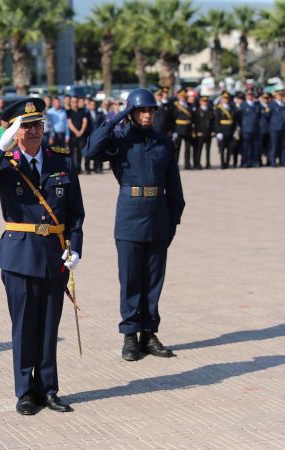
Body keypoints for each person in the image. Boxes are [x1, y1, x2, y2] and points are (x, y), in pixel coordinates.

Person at [0, 98, 85, 416]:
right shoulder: (6, 163)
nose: (34, 131)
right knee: (24, 327)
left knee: (49, 327)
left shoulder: (61, 161)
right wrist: (0, 145)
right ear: (16, 131)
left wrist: (75, 247)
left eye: (38, 124)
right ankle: (24, 392)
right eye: (26, 126)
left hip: (54, 255)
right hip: (19, 255)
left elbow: (76, 214)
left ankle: (47, 388)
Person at [83, 88, 185, 362]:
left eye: (151, 110)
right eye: (141, 110)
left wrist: (173, 221)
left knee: (154, 280)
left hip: (158, 215)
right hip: (129, 214)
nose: (148, 114)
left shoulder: (164, 142)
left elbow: (175, 187)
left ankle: (148, 334)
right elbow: (90, 150)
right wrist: (116, 119)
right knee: (130, 279)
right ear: (131, 113)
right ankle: (129, 335)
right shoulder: (119, 140)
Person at [67, 96, 90, 173]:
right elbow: (69, 123)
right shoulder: (68, 112)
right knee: (72, 153)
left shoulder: (83, 111)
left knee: (80, 153)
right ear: (70, 103)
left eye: (76, 101)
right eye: (73, 102)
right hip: (72, 136)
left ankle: (79, 168)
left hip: (81, 136)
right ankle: (73, 169)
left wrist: (81, 131)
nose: (75, 103)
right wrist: (76, 132)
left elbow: (85, 121)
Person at [172, 89, 194, 169]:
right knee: (177, 148)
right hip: (179, 129)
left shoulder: (189, 105)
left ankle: (187, 164)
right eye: (181, 96)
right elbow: (173, 119)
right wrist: (174, 131)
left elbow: (192, 118)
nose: (183, 97)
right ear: (178, 96)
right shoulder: (175, 106)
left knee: (188, 148)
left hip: (188, 129)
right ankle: (176, 164)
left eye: (184, 96)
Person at [214, 91, 236, 169]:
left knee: (230, 149)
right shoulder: (219, 108)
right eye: (224, 98)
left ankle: (227, 163)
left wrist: (234, 131)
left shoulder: (232, 107)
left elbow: (234, 120)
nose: (226, 99)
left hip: (230, 130)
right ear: (221, 99)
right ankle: (222, 164)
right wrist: (219, 132)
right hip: (223, 130)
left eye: (227, 98)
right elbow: (217, 121)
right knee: (222, 149)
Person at [240, 89, 261, 168]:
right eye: (248, 95)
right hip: (246, 128)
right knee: (246, 146)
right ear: (246, 96)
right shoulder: (243, 105)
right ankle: (246, 162)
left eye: (251, 95)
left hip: (255, 128)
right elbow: (240, 117)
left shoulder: (256, 105)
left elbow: (258, 116)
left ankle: (254, 161)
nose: (250, 96)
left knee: (255, 146)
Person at [193, 96, 214, 169]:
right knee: (199, 149)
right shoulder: (197, 111)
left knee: (208, 150)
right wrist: (197, 132)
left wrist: (213, 131)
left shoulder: (210, 110)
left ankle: (208, 163)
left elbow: (212, 122)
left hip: (208, 132)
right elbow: (195, 123)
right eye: (203, 101)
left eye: (206, 101)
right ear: (200, 102)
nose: (205, 103)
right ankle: (198, 163)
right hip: (200, 133)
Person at [268, 90, 285, 167]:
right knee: (274, 145)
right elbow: (267, 116)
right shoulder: (272, 105)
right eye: (279, 96)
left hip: (284, 128)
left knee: (284, 146)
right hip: (275, 128)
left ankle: (283, 161)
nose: (280, 97)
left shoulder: (284, 105)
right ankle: (273, 161)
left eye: (282, 96)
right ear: (276, 96)